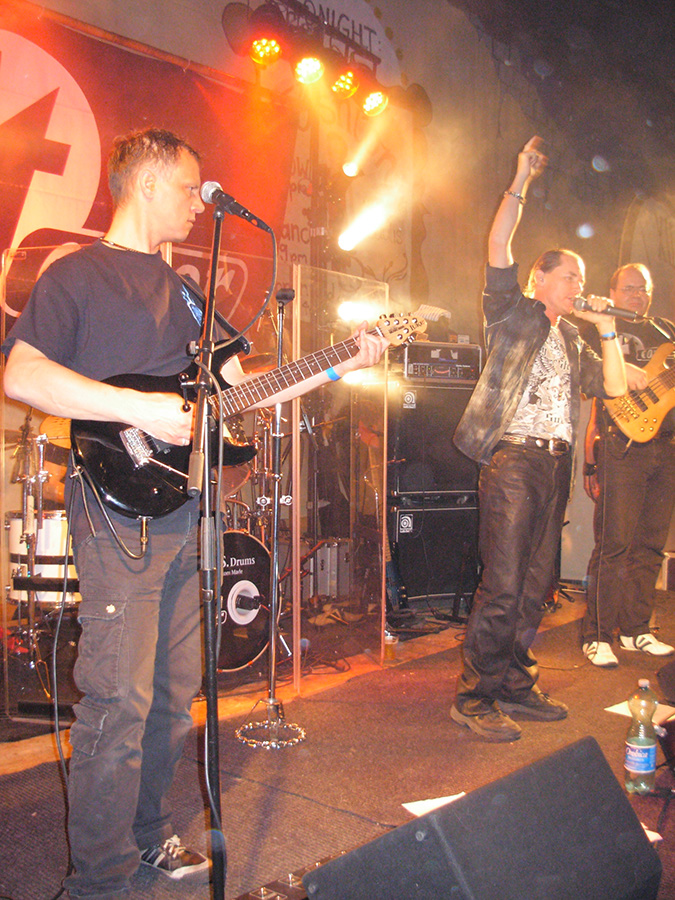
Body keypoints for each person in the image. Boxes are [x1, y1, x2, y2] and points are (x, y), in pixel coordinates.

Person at [2, 127, 388, 900]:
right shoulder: (77, 274)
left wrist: (338, 362)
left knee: (172, 694)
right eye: (187, 187)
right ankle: (99, 881)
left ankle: (147, 839)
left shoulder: (184, 291)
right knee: (117, 698)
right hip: (116, 506)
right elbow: (22, 375)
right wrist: (136, 407)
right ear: (147, 183)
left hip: (186, 507)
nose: (196, 202)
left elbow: (243, 388)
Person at [451, 136, 627, 742]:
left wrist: (606, 328)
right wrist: (521, 178)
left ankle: (513, 683)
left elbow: (614, 387)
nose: (579, 284)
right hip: (514, 460)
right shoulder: (512, 312)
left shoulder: (574, 339)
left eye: (582, 277)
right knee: (503, 585)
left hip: (554, 465)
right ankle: (474, 697)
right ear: (540, 278)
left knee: (535, 587)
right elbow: (498, 242)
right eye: (570, 275)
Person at [580, 263, 675, 667]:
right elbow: (595, 388)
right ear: (614, 291)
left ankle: (636, 629)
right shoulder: (602, 328)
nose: (638, 295)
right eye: (630, 288)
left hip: (667, 446)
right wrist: (590, 460)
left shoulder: (667, 331)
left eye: (644, 289)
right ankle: (598, 635)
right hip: (622, 444)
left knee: (651, 544)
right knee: (614, 543)